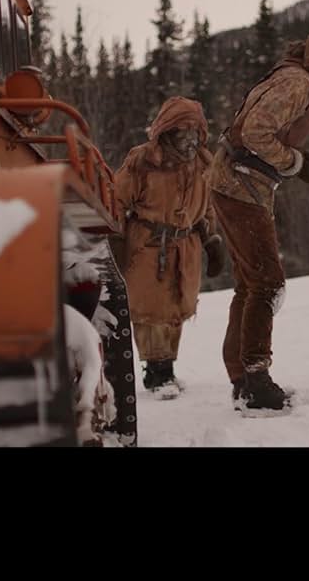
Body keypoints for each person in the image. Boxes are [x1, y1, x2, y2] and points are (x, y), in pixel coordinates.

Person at [208, 16, 309, 411]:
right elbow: (256, 133)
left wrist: (293, 160)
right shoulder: (299, 82)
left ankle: (242, 378)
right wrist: (294, 162)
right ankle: (256, 382)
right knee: (267, 283)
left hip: (238, 183)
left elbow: (262, 133)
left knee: (250, 284)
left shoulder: (302, 80)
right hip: (239, 184)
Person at [113, 97, 225, 399]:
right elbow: (116, 201)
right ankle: (157, 374)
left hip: (185, 246)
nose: (189, 136)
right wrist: (114, 241)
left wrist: (211, 240)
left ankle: (166, 368)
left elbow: (208, 207)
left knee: (176, 307)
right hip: (147, 246)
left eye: (194, 128)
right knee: (151, 311)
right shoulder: (143, 160)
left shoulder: (204, 162)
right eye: (182, 128)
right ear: (167, 129)